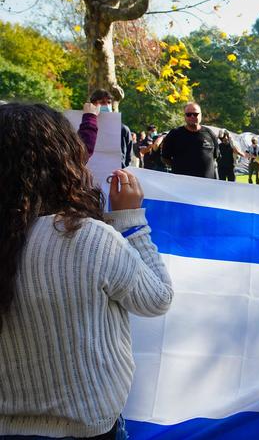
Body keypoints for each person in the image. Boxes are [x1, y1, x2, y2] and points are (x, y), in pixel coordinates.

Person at [0, 102, 173, 439]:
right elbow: (157, 298)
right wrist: (131, 221)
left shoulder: (84, 236)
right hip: (90, 428)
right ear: (63, 160)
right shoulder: (85, 237)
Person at [160, 102, 220, 178]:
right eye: (188, 114)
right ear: (185, 116)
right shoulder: (174, 134)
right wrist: (179, 166)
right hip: (182, 183)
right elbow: (165, 158)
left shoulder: (209, 133)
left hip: (207, 185)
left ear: (201, 115)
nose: (192, 116)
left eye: (195, 114)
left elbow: (216, 156)